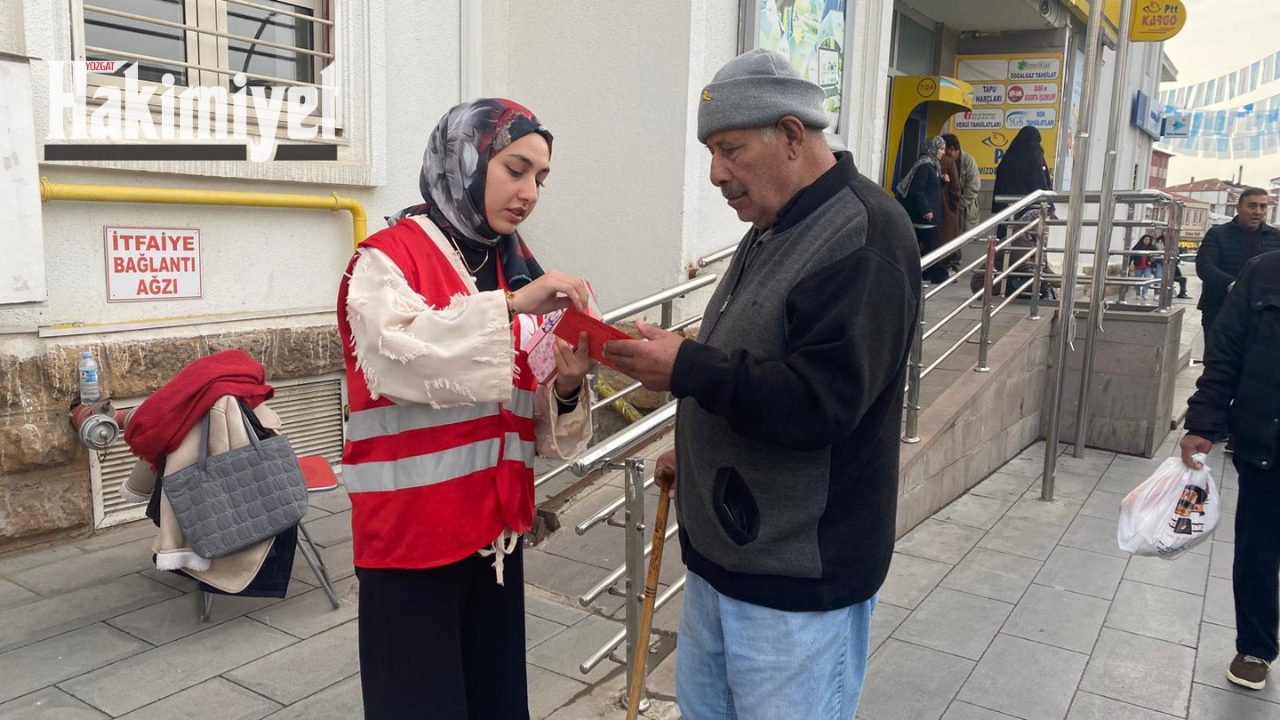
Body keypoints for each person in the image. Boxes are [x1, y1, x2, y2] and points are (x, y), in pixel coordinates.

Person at [602, 49, 921, 719]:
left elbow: (820, 401)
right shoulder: (776, 224)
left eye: (730, 149)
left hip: (797, 584)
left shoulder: (863, 233)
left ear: (792, 135)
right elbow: (753, 356)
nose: (717, 172)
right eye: (710, 152)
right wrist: (693, 450)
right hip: (727, 564)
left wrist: (685, 368)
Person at [336, 98, 596, 719]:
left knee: (497, 703)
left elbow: (518, 399)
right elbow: (402, 359)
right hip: (412, 539)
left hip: (494, 537)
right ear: (465, 160)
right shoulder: (384, 259)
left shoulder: (512, 262)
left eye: (541, 177)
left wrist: (564, 384)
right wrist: (508, 308)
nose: (530, 192)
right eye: (516, 168)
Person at [1180, 250, 1280, 692]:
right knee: (1258, 550)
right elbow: (1224, 353)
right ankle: (1256, 646)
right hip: (1267, 443)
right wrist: (1203, 421)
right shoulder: (1264, 272)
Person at [1195, 187, 1280, 339]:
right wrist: (1232, 284)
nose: (1258, 212)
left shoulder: (1276, 237)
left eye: (1263, 206)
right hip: (1220, 309)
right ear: (1238, 207)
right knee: (1218, 359)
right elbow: (1205, 267)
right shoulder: (1217, 234)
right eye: (1252, 205)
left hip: (1263, 313)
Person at [896, 135, 949, 283]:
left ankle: (925, 274)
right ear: (933, 149)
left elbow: (930, 188)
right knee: (932, 246)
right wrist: (925, 210)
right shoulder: (925, 166)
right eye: (941, 149)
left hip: (924, 217)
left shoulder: (931, 165)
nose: (943, 153)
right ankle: (937, 275)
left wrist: (941, 181)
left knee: (920, 246)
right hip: (923, 218)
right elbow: (917, 190)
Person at [991, 126, 1052, 238]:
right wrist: (1050, 206)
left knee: (1005, 244)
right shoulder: (1033, 157)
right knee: (1026, 245)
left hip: (1006, 211)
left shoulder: (1007, 158)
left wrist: (996, 207)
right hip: (1027, 213)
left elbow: (999, 184)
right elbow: (1039, 183)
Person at [944, 133, 981, 234]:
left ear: (951, 149)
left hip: (964, 208)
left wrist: (959, 204)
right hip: (948, 206)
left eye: (945, 151)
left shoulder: (969, 162)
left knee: (960, 237)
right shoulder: (944, 161)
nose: (943, 154)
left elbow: (974, 187)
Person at [938, 140, 964, 270]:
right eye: (941, 149)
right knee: (948, 240)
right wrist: (956, 205)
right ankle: (944, 269)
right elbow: (955, 188)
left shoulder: (923, 161)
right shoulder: (949, 162)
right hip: (947, 208)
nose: (942, 152)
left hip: (931, 209)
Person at [1158, 234, 1192, 299]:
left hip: (1173, 270)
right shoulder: (1160, 245)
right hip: (1165, 270)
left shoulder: (1175, 250)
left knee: (1183, 279)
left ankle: (1182, 293)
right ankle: (1166, 293)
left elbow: (1177, 259)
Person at [1131, 234, 1157, 299]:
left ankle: (1144, 293)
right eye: (1145, 239)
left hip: (1148, 266)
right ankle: (1138, 294)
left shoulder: (1152, 248)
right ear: (1142, 240)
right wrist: (1129, 263)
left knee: (1147, 280)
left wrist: (1154, 266)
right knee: (1138, 280)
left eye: (1148, 240)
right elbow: (1132, 255)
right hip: (1138, 265)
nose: (1147, 241)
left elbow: (1155, 258)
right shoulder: (1137, 247)